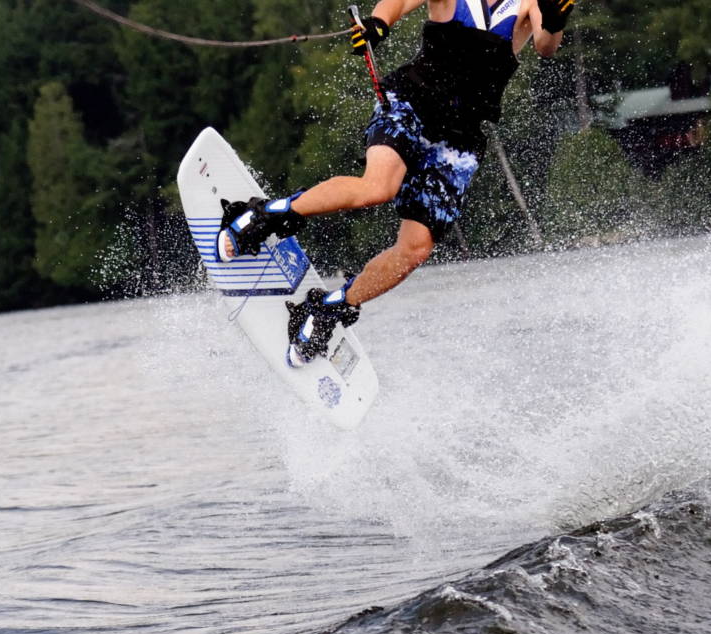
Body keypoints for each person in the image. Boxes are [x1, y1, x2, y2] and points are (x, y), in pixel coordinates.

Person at [216, 0, 574, 366]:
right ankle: (262, 218)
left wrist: (557, 16)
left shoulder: (530, 3)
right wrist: (378, 22)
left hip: (459, 139)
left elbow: (546, 46)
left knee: (416, 248)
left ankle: (329, 309)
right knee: (377, 187)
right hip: (412, 103)